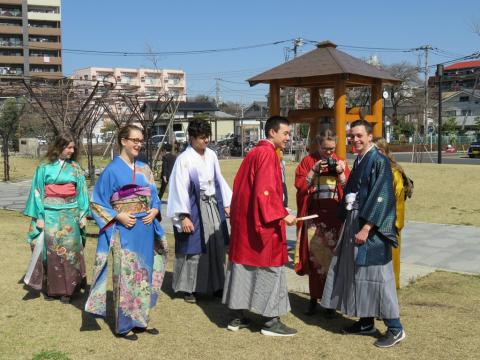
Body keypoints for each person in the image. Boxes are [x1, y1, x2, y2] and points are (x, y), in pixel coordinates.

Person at [320, 119, 405, 348]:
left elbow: (383, 196)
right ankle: (366, 321)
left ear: (369, 136)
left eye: (359, 136)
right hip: (355, 221)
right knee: (358, 274)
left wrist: (367, 227)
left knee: (378, 277)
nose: (354, 140)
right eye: (351, 137)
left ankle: (395, 328)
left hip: (371, 229)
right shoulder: (359, 160)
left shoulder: (378, 160)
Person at [85, 124, 166, 341]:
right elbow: (96, 202)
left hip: (145, 228)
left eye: (141, 140)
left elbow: (154, 196)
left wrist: (156, 209)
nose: (139, 144)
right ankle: (124, 325)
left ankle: (141, 320)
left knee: (144, 274)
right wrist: (118, 215)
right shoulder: (112, 170)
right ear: (123, 141)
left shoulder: (145, 168)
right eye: (134, 140)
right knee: (126, 275)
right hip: (124, 228)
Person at [223, 115, 298, 337]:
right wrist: (282, 215)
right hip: (262, 225)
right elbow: (265, 192)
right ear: (272, 132)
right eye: (285, 133)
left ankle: (237, 317)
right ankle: (270, 321)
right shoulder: (267, 154)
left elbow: (241, 187)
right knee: (270, 271)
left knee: (243, 270)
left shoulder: (253, 153)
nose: (288, 137)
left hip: (245, 223)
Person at [167, 119, 231, 303]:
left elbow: (219, 179)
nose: (206, 141)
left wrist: (226, 202)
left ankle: (217, 284)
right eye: (202, 137)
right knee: (194, 247)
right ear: (192, 138)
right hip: (194, 205)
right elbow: (178, 188)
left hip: (212, 204)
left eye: (207, 137)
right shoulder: (184, 159)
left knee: (216, 243)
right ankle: (190, 288)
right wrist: (184, 216)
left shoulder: (211, 155)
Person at [23, 134, 89, 303]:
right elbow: (37, 192)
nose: (72, 151)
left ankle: (70, 289)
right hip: (50, 213)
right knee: (50, 252)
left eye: (73, 147)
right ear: (59, 147)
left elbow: (82, 193)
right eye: (69, 147)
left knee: (71, 251)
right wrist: (39, 216)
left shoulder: (75, 168)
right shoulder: (44, 167)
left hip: (71, 214)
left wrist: (83, 215)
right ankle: (52, 289)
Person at [294, 130, 350, 316]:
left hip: (335, 216)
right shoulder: (308, 161)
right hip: (315, 217)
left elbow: (348, 189)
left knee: (333, 261)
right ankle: (313, 298)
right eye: (325, 148)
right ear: (318, 145)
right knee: (315, 260)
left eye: (332, 149)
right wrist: (313, 170)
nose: (328, 152)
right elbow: (300, 186)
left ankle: (330, 302)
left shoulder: (340, 160)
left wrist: (341, 173)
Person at [374, 137, 405, 290]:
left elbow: (398, 200)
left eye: (378, 151)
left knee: (391, 264)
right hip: (373, 224)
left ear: (385, 152)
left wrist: (395, 225)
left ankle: (391, 299)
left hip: (389, 224)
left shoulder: (394, 173)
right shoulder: (373, 169)